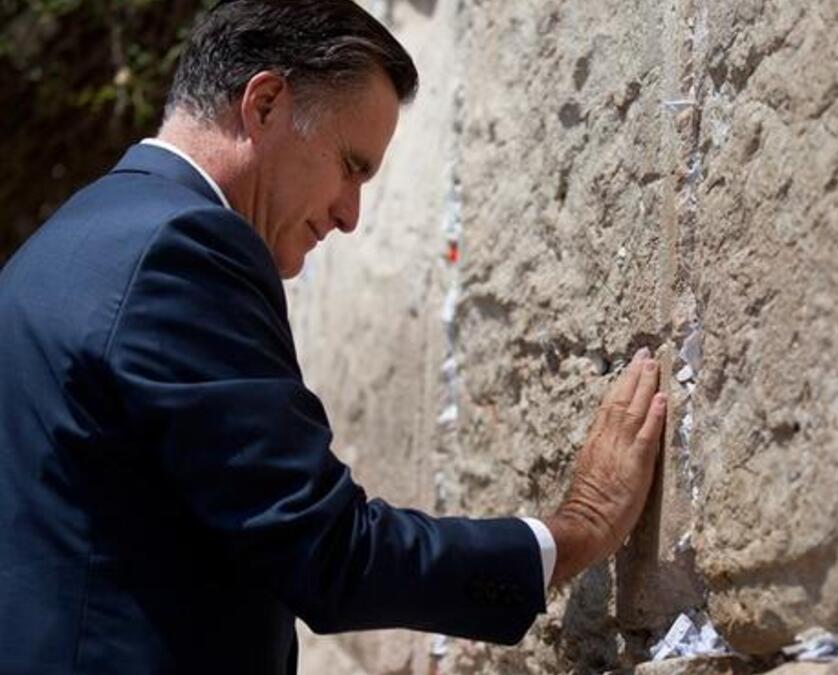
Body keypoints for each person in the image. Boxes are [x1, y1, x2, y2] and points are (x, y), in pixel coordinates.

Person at [0, 1, 666, 673]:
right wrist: (573, 532)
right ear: (264, 105)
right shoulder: (185, 247)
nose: (351, 214)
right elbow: (327, 552)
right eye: (352, 166)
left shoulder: (51, 251)